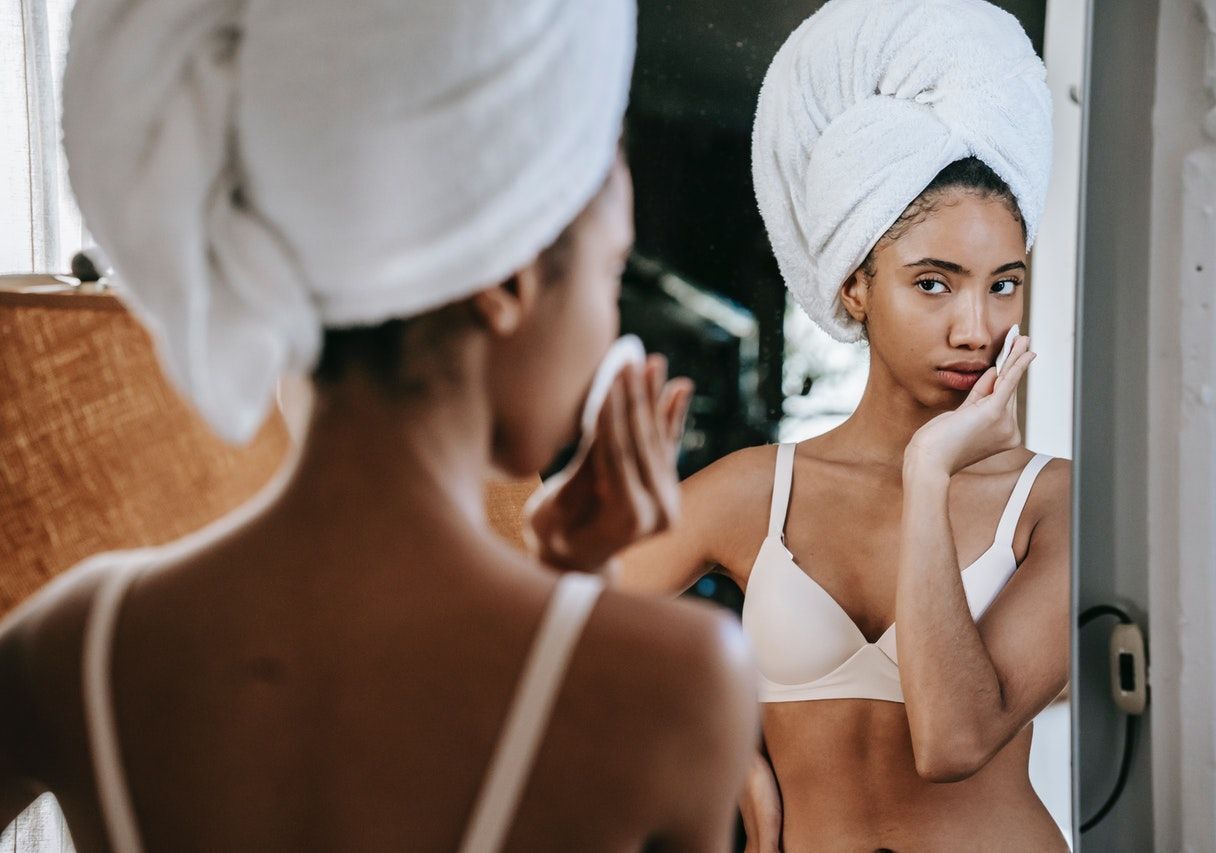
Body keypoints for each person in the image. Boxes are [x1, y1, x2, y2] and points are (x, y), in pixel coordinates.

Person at [0, 0, 758, 850]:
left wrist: (565, 575)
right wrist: (576, 592)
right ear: (507, 280)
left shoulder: (77, 645)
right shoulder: (679, 682)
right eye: (611, 267)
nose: (610, 327)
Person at [617, 1, 1070, 850]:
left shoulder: (1050, 503)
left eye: (1003, 283)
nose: (978, 327)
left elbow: (952, 741)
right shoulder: (758, 491)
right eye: (934, 283)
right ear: (855, 287)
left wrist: (930, 474)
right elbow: (540, 628)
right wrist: (708, 747)